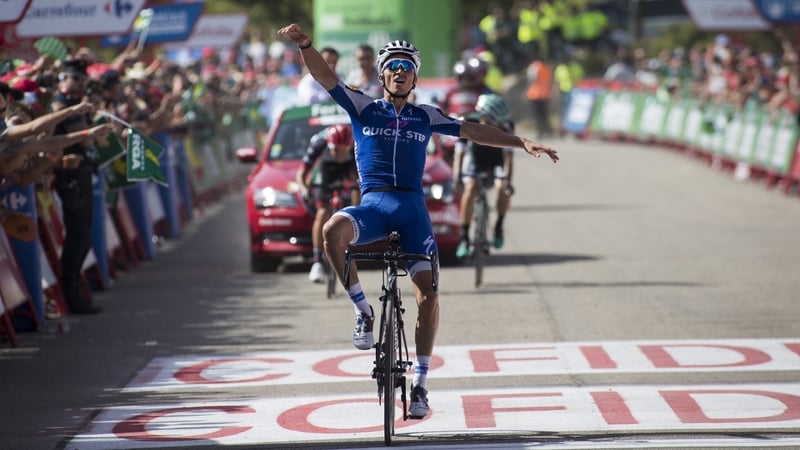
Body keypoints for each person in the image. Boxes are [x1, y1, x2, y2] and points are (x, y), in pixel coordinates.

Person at [277, 23, 558, 419]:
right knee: (330, 233)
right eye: (392, 66)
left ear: (414, 75)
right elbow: (326, 77)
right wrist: (306, 45)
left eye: (406, 67)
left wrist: (520, 141)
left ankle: (422, 387)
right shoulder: (362, 107)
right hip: (373, 206)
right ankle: (362, 310)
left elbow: (472, 130)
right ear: (381, 73)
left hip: (412, 211)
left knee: (428, 295)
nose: (399, 72)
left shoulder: (425, 115)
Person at [51, 59, 102, 314]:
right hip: (69, 176)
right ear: (64, 78)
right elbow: (86, 142)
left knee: (83, 237)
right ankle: (71, 295)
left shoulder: (76, 106)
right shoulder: (62, 104)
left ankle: (76, 292)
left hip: (82, 174)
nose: (80, 84)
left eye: (83, 80)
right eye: (76, 78)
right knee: (78, 236)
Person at [452, 93, 515, 258]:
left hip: (496, 160)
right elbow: (459, 156)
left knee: (502, 186)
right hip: (474, 159)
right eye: (490, 121)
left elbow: (508, 159)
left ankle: (499, 226)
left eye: (496, 123)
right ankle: (464, 237)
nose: (493, 126)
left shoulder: (506, 127)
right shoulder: (467, 123)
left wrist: (507, 181)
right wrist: (456, 178)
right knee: (470, 187)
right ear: (482, 115)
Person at [297, 124, 360, 283]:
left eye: (343, 150)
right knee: (323, 211)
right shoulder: (319, 144)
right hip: (326, 171)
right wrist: (304, 190)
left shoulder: (355, 145)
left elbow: (362, 175)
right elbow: (301, 173)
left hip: (348, 168)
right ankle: (317, 261)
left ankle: (355, 230)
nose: (339, 154)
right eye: (336, 150)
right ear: (329, 145)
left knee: (356, 188)